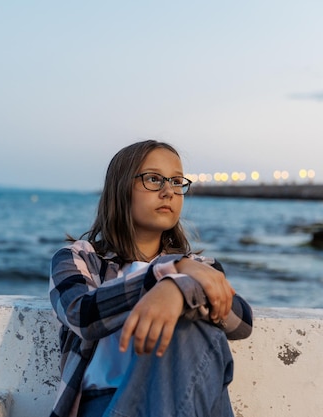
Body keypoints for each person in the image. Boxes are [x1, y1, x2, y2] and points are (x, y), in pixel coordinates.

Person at [48, 140, 253, 417]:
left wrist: (174, 290)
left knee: (193, 328)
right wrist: (169, 274)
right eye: (153, 179)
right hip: (104, 404)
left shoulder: (198, 266)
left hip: (180, 399)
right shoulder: (79, 258)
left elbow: (241, 321)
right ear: (120, 188)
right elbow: (81, 315)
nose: (168, 191)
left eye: (177, 181)